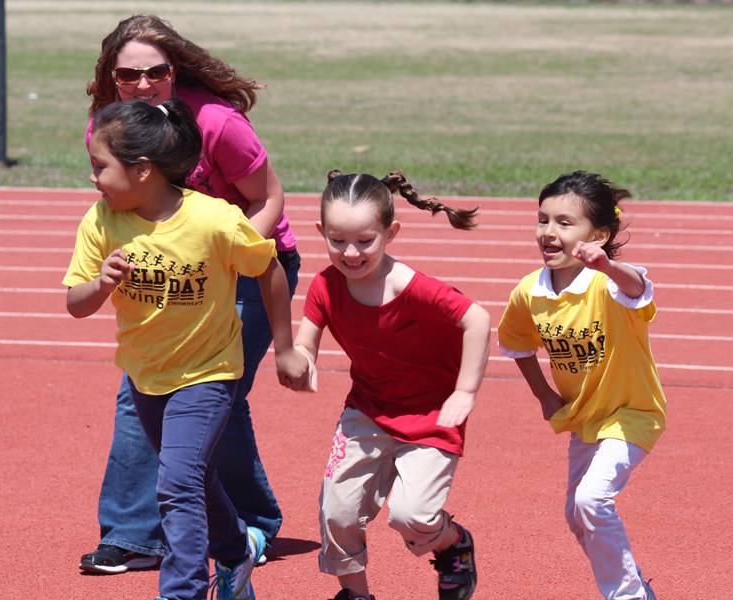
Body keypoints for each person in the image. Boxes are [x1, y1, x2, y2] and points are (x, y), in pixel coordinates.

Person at [79, 14, 300, 573]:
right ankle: (134, 535)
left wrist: (228, 249)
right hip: (172, 266)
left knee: (215, 394)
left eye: (157, 72)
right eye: (129, 76)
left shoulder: (217, 124)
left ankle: (250, 526)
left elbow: (268, 196)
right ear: (111, 77)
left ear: (175, 71)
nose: (145, 85)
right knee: (143, 390)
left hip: (249, 259)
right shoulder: (112, 127)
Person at [284, 170, 491, 600]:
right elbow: (306, 340)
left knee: (410, 516)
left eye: (365, 240)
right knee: (336, 511)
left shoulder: (411, 288)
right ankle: (355, 595)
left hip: (432, 415)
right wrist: (301, 361)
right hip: (367, 412)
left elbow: (477, 319)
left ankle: (453, 545)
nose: (351, 252)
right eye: (338, 240)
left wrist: (465, 391)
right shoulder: (325, 285)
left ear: (389, 232)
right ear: (322, 232)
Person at [497, 171, 664, 600]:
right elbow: (515, 344)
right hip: (583, 418)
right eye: (543, 220)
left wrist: (606, 264)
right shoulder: (529, 292)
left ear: (600, 234)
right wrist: (543, 395)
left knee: (592, 501)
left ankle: (629, 596)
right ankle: (635, 586)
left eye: (565, 223)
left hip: (632, 414)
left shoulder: (609, 283)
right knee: (577, 516)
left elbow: (638, 287)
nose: (549, 232)